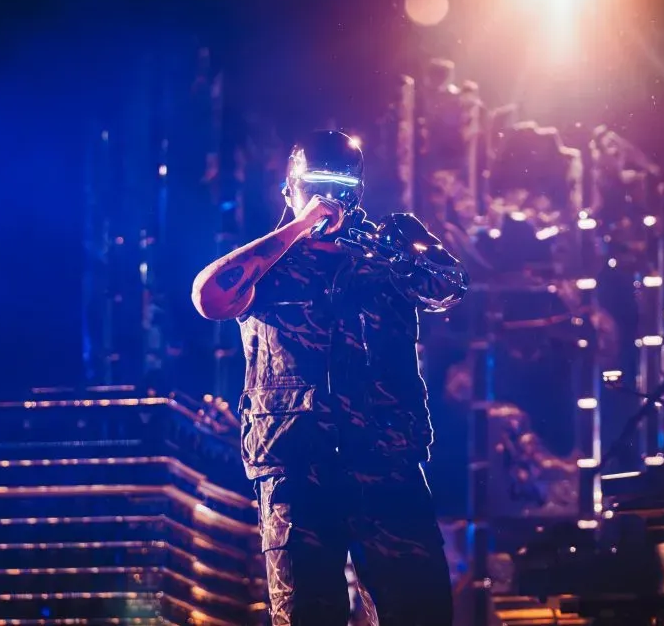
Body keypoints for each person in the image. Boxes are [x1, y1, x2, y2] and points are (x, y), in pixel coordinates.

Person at [191, 130, 468, 626]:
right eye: (315, 183)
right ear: (289, 189)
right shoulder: (268, 264)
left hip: (385, 461)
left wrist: (404, 244)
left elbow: (449, 288)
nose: (328, 195)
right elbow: (210, 297)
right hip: (297, 465)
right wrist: (300, 228)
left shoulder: (385, 258)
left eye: (341, 185)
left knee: (420, 611)